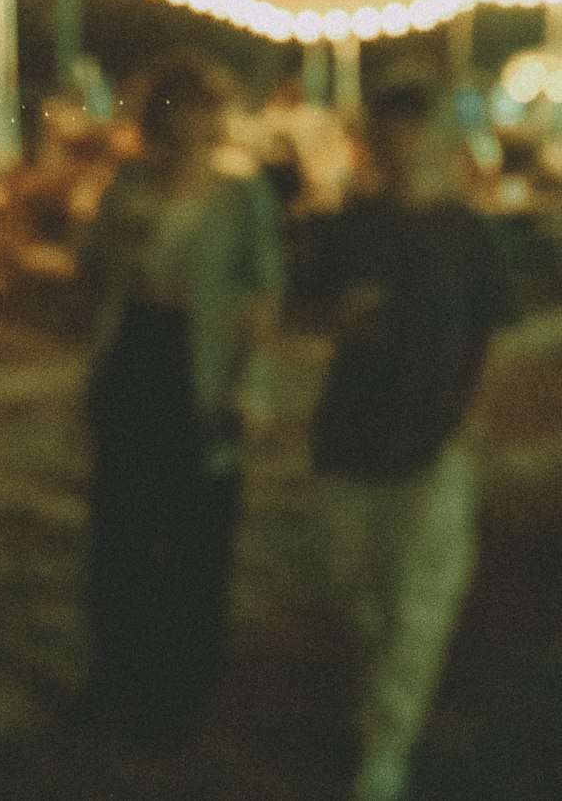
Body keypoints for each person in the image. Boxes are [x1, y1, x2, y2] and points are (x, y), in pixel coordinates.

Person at [306, 77, 510, 801]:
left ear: (435, 141)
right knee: (348, 584)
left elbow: (491, 333)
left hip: (434, 436)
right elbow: (315, 312)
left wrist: (469, 421)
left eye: (413, 130)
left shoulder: (467, 231)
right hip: (350, 433)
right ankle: (380, 697)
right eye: (386, 131)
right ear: (372, 142)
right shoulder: (351, 223)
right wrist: (342, 317)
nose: (400, 144)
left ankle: (386, 745)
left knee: (421, 599)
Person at [79, 48, 284, 744]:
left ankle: (184, 684)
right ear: (157, 117)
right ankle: (120, 670)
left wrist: (246, 384)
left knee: (199, 533)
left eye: (203, 108)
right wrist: (114, 253)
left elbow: (261, 297)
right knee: (123, 526)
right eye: (177, 107)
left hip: (201, 370)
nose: (191, 121)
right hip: (136, 358)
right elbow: (91, 273)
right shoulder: (126, 186)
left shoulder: (242, 197)